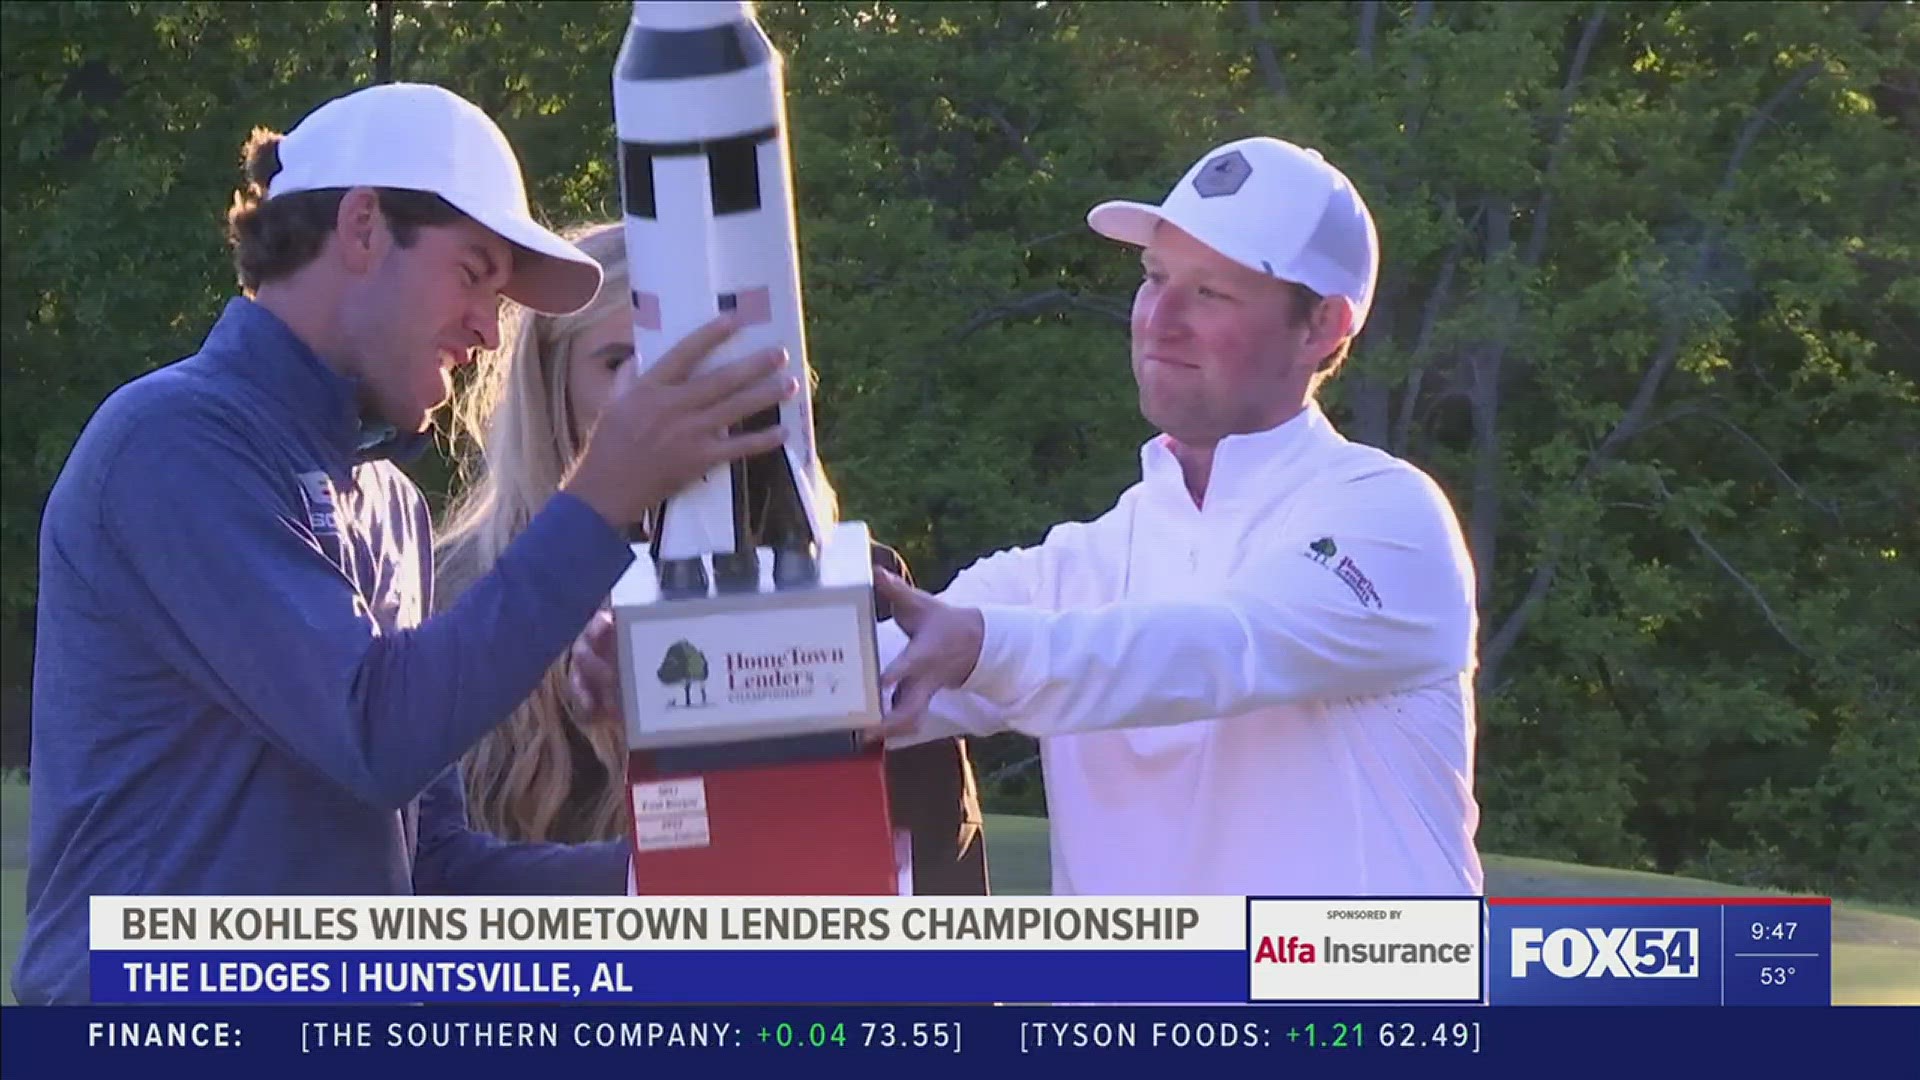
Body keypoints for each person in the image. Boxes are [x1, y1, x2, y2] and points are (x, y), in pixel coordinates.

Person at [15, 83, 795, 1005]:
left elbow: (436, 872)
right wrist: (604, 494)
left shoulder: (388, 504)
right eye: (473, 273)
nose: (488, 327)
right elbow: (376, 731)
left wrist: (682, 888)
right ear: (361, 227)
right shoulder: (173, 441)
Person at [867, 136, 1483, 896]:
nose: (1160, 320)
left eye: (1210, 293)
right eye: (1155, 278)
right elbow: (859, 684)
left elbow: (1219, 649)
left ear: (1323, 326)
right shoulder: (1078, 565)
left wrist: (984, 646)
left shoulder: (1388, 517)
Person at [438, 221, 989, 894]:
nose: (664, 397)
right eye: (620, 364)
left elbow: (936, 859)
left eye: (694, 367)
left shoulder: (846, 583)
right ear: (550, 387)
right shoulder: (456, 587)